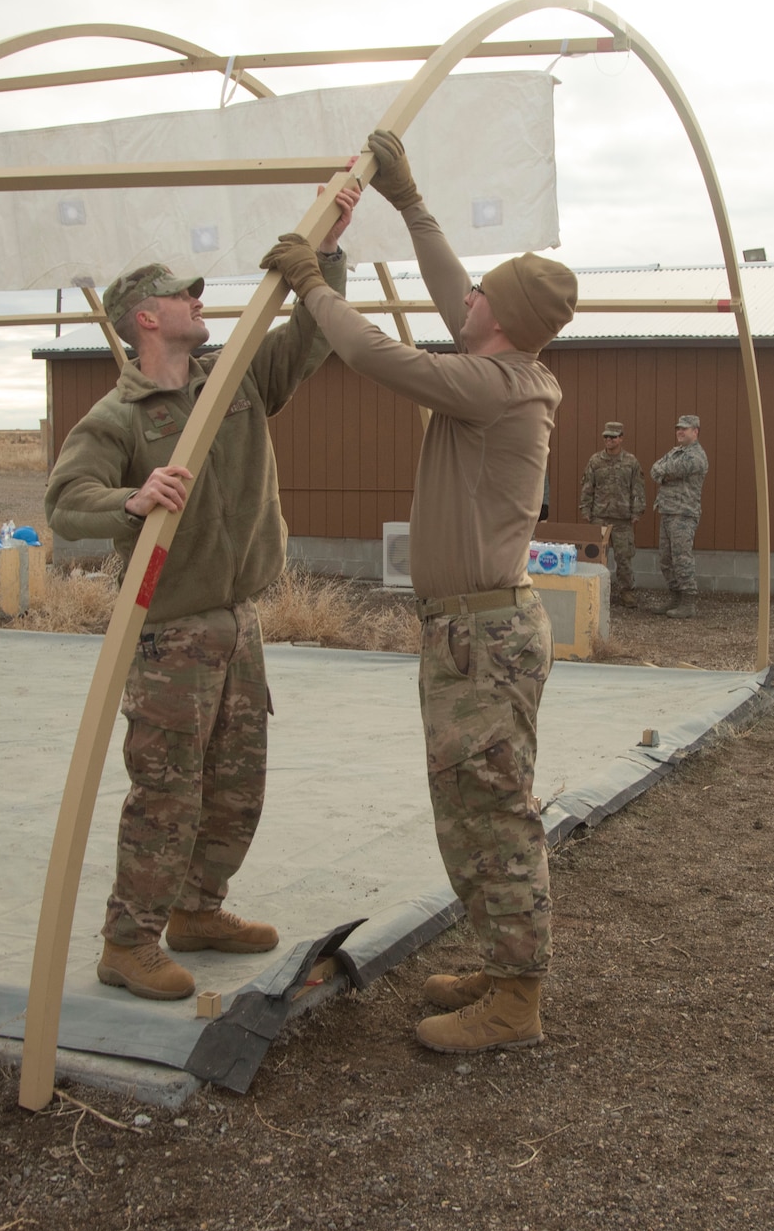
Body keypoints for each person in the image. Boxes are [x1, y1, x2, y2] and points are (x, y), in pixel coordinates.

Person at [261, 128, 575, 1055]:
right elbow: (454, 297)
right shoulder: (503, 367)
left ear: (505, 319)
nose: (464, 295)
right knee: (472, 810)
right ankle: (500, 960)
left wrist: (314, 284)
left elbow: (374, 357)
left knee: (493, 812)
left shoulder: (499, 386)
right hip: (471, 633)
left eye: (482, 293)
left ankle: (516, 1002)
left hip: (482, 641)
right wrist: (411, 202)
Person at [45, 188, 359, 1002]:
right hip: (171, 633)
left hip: (237, 622)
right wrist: (131, 500)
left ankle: (198, 909)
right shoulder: (119, 416)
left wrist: (328, 256)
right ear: (146, 317)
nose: (199, 299)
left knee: (236, 781)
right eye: (185, 293)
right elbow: (65, 502)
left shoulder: (237, 379)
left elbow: (314, 332)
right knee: (167, 789)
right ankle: (129, 941)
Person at [578, 422, 646, 606]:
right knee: (597, 558)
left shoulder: (631, 462)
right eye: (606, 437)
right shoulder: (595, 461)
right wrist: (585, 510)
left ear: (621, 438)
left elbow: (637, 489)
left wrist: (636, 512)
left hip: (623, 519)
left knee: (624, 558)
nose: (609, 440)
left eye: (613, 437)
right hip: (599, 518)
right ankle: (596, 593)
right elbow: (587, 487)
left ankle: (627, 592)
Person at [649, 415, 708, 618]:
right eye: (678, 428)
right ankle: (675, 598)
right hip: (667, 511)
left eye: (685, 428)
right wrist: (664, 472)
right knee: (666, 559)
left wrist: (664, 472)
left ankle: (688, 602)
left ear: (695, 432)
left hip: (683, 513)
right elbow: (655, 469)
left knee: (682, 558)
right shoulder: (676, 452)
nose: (680, 432)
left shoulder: (696, 456)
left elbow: (669, 469)